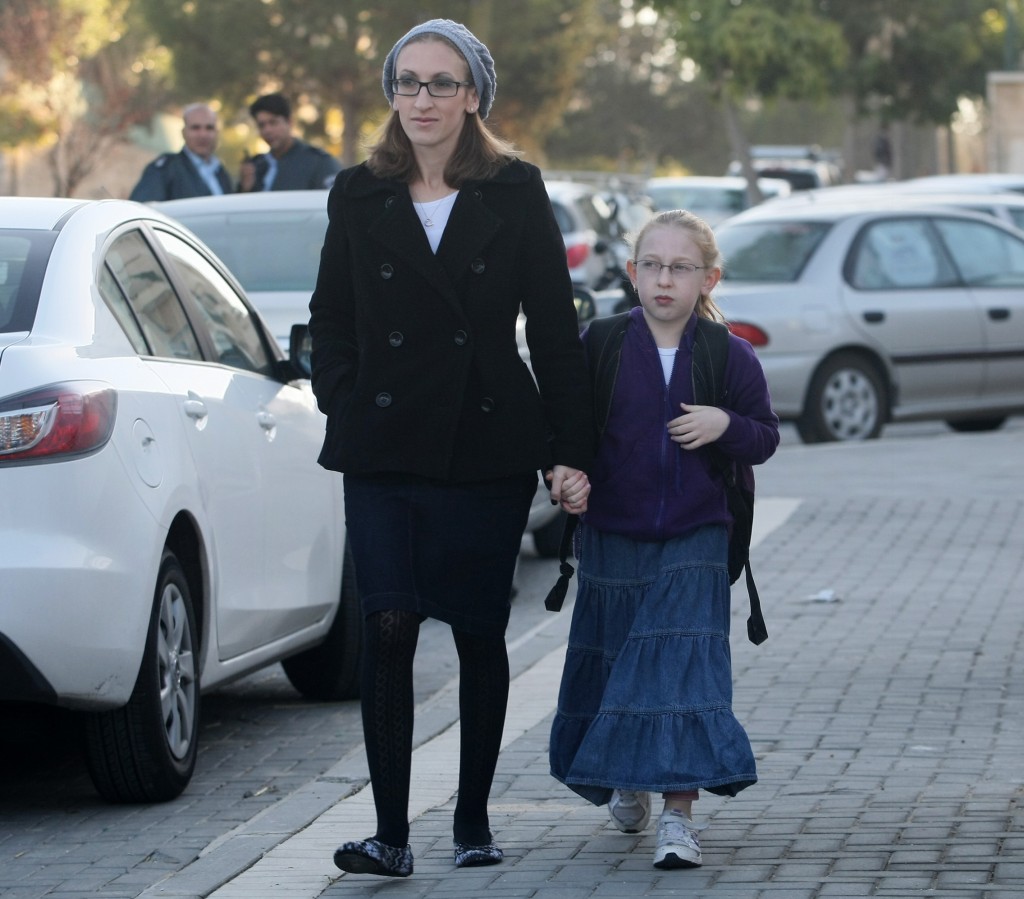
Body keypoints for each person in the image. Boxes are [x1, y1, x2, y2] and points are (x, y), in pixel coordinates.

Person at [307, 18, 594, 879]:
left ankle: (471, 816)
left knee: (475, 629)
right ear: (392, 94)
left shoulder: (513, 190)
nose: (421, 99)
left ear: (473, 97)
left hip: (486, 440)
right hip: (384, 445)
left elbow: (552, 325)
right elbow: (333, 315)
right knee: (388, 622)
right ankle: (391, 832)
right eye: (408, 82)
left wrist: (569, 446)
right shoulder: (358, 191)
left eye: (440, 83)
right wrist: (343, 397)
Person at [548, 210, 780, 871]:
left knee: (683, 675)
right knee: (621, 667)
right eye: (652, 265)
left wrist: (724, 423)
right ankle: (627, 776)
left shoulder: (727, 353)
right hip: (613, 538)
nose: (664, 280)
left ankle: (678, 817)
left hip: (698, 537)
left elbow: (764, 435)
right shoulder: (601, 344)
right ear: (632, 272)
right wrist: (565, 477)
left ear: (708, 276)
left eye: (680, 268)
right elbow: (566, 435)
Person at [129, 103, 233, 202]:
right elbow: (144, 208)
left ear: (217, 133)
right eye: (195, 128)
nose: (203, 134)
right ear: (183, 133)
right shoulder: (165, 169)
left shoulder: (220, 172)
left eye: (209, 128)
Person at [238, 93, 341, 191]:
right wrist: (245, 189)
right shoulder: (256, 166)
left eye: (273, 122)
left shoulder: (318, 162)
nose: (267, 130)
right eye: (261, 125)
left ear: (289, 122)